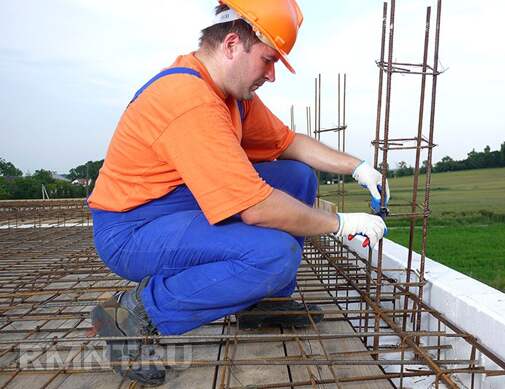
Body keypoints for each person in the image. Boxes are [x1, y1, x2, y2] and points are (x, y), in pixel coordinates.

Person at [88, 0, 390, 385]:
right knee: (273, 256)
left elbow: (288, 142)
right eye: (268, 60)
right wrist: (339, 223)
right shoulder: (189, 100)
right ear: (232, 44)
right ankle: (133, 314)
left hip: (169, 205)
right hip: (132, 231)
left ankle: (266, 302)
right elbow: (256, 207)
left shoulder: (227, 93)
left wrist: (358, 167)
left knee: (297, 177)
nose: (272, 74)